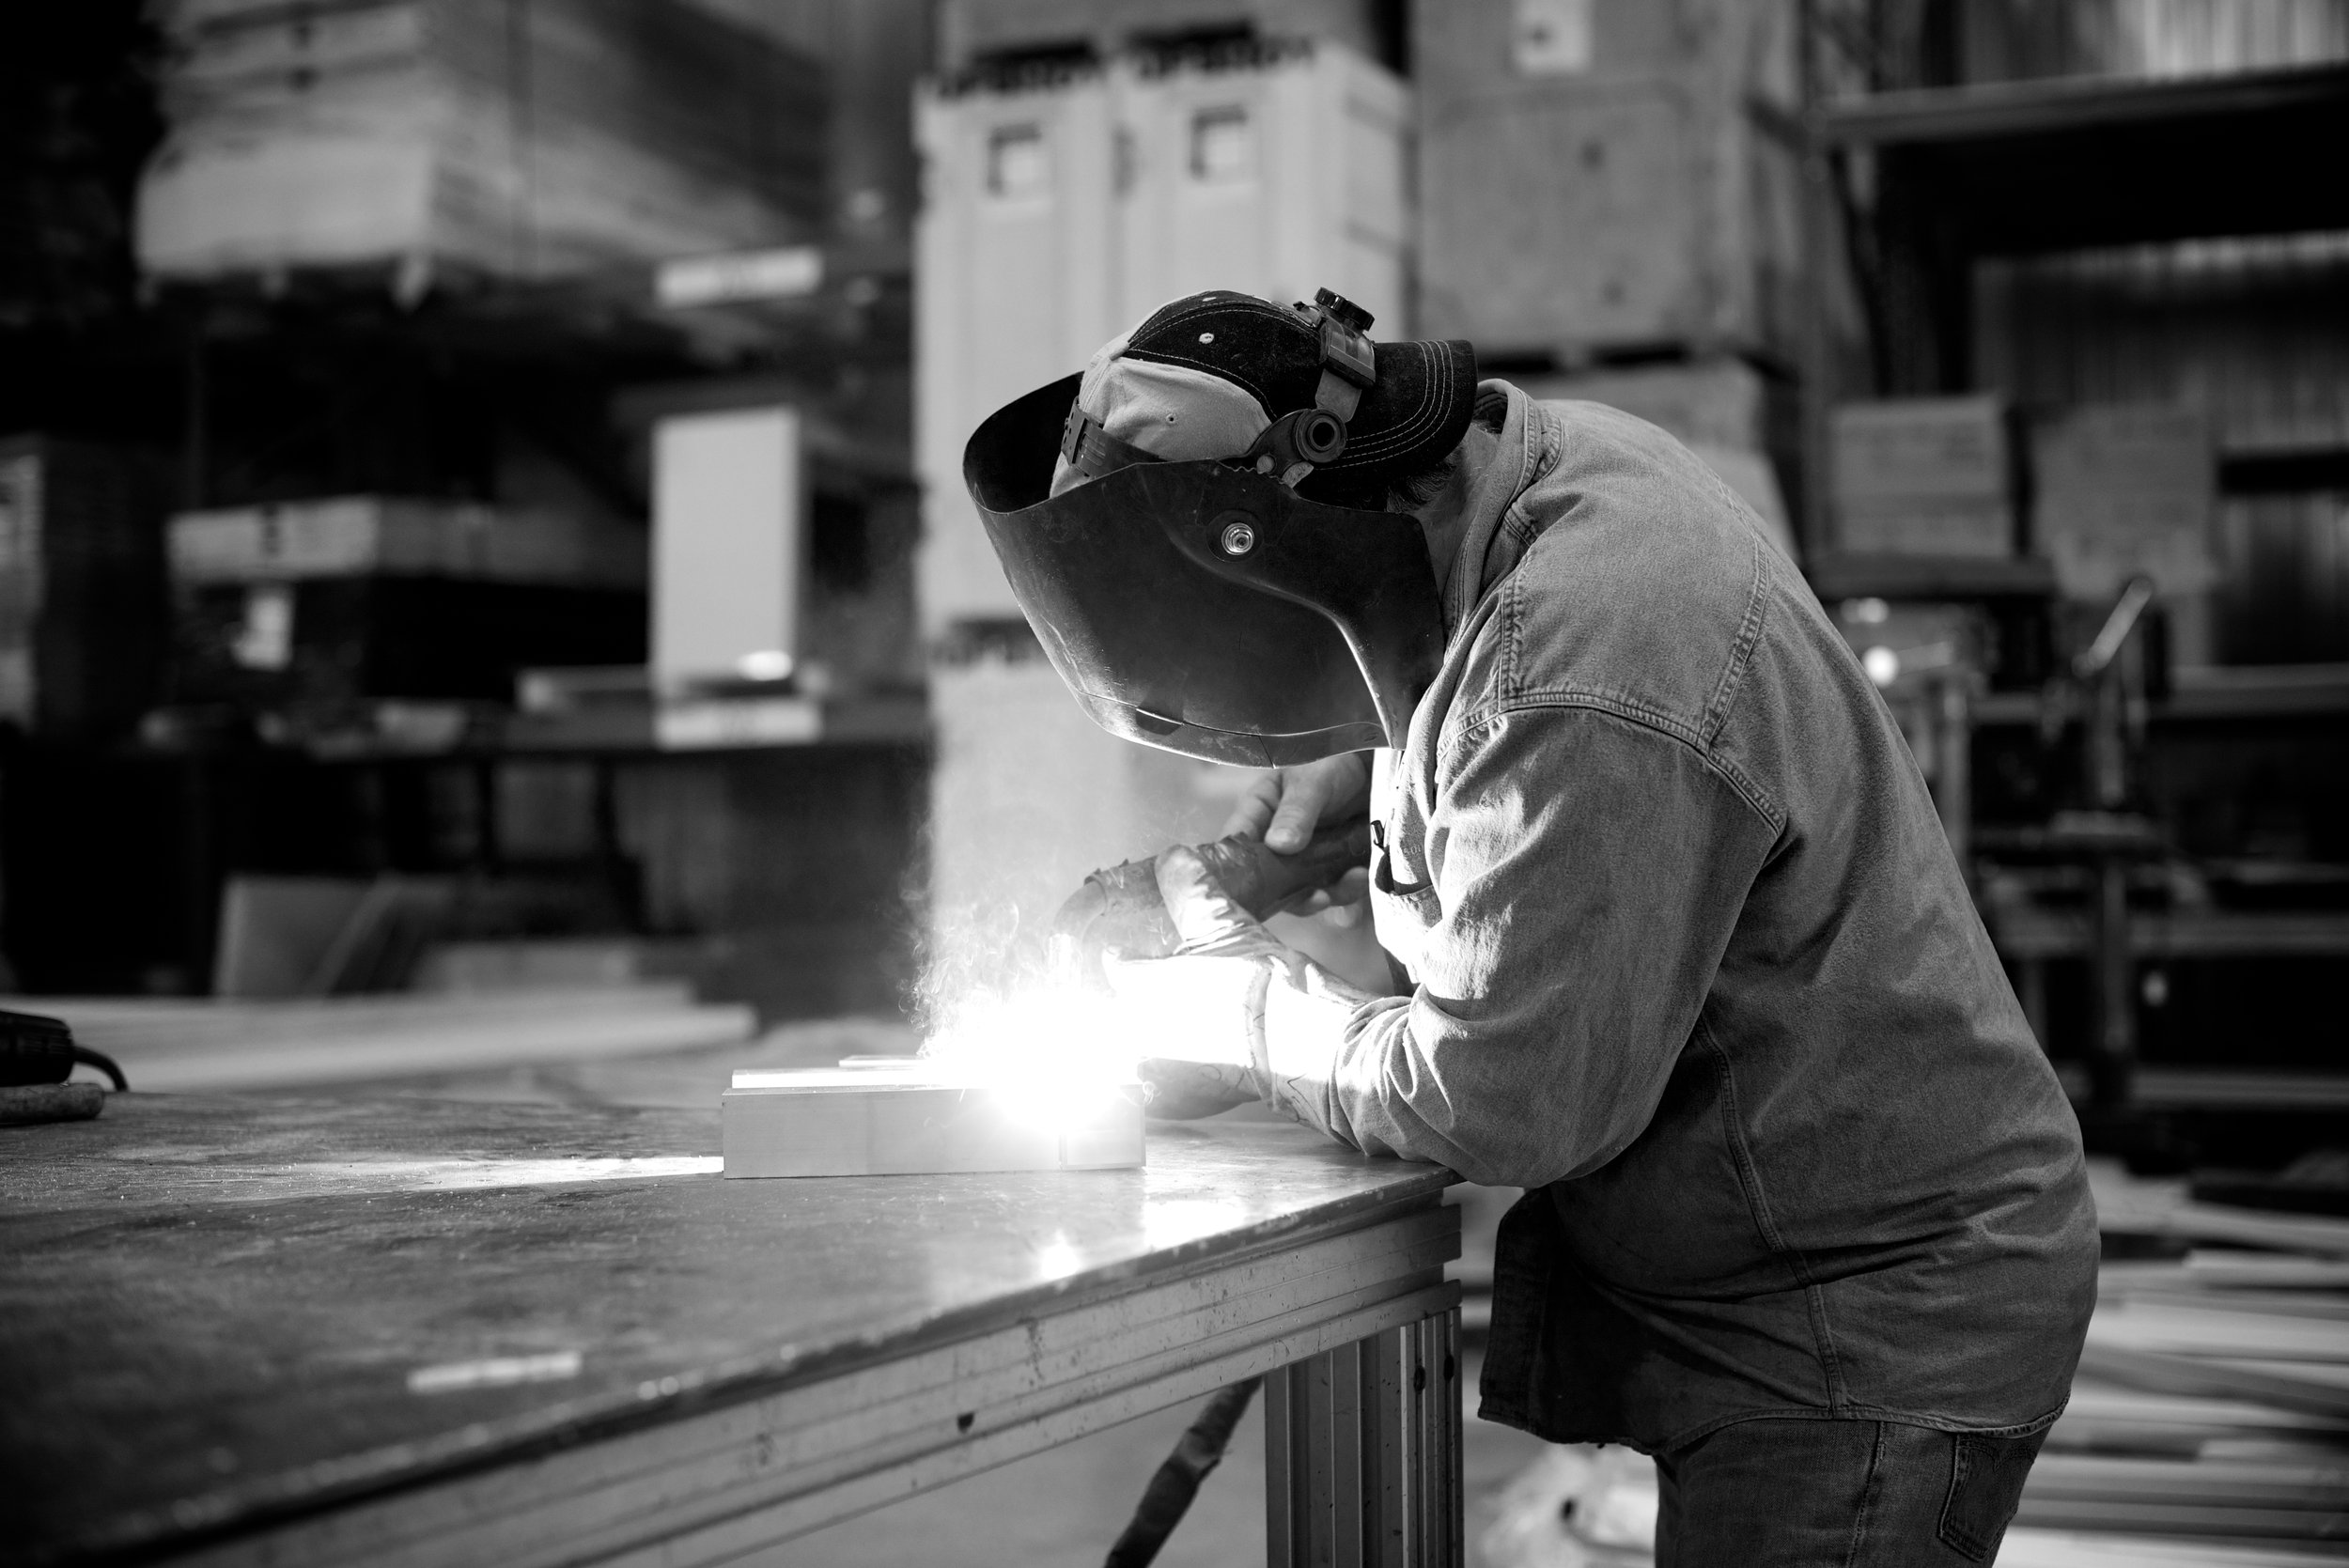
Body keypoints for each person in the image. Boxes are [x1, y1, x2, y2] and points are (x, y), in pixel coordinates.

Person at [962, 287, 2098, 1565]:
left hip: (1865, 1322)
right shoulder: (1524, 481)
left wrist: (1230, 1003)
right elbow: (1507, 754)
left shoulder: (1579, 656)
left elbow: (1499, 1092)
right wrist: (1312, 823)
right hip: (1789, 1258)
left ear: (1299, 523)